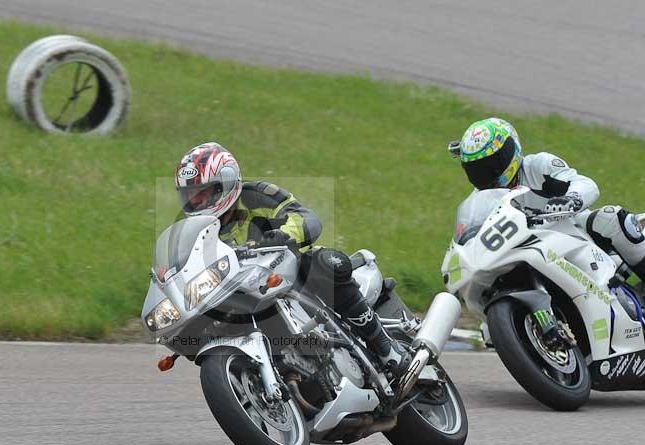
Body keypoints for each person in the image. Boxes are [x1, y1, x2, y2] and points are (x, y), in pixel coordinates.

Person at [174, 141, 407, 373]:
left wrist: (284, 234)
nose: (195, 202)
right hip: (243, 290)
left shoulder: (255, 195)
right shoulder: (192, 231)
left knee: (323, 262)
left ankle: (387, 349)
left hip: (287, 276)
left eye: (201, 193)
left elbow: (306, 217)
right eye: (189, 196)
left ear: (223, 185)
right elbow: (186, 264)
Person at [450, 117, 645, 280]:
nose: (487, 175)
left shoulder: (537, 166)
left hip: (572, 232)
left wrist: (570, 199)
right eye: (478, 171)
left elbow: (587, 184)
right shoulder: (479, 203)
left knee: (611, 218)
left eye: (492, 165)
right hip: (525, 252)